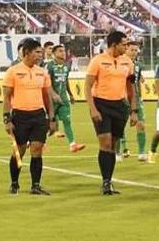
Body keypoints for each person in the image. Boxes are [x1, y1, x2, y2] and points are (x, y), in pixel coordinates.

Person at [84, 30, 137, 195]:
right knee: (105, 143)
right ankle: (105, 181)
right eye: (124, 44)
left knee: (113, 144)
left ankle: (109, 180)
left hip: (120, 106)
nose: (126, 47)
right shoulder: (97, 61)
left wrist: (133, 110)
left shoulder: (127, 62)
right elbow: (87, 86)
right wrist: (92, 108)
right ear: (114, 45)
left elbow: (131, 87)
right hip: (101, 105)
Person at [2, 38, 55, 195]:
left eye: (40, 52)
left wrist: (51, 118)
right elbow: (6, 97)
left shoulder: (42, 72)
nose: (40, 55)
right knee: (20, 150)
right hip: (20, 115)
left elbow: (47, 97)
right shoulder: (13, 71)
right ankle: (14, 183)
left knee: (37, 150)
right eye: (36, 52)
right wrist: (7, 119)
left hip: (38, 115)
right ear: (27, 53)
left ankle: (36, 185)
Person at [46, 42, 84, 153]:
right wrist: (53, 94)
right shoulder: (50, 66)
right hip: (51, 100)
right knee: (48, 124)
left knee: (67, 120)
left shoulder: (67, 66)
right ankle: (36, 142)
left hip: (63, 99)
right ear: (54, 53)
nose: (63, 53)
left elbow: (66, 81)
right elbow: (47, 83)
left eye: (63, 51)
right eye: (60, 51)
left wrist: (71, 95)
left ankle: (72, 145)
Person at [124, 41, 149, 161]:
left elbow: (138, 80)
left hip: (136, 98)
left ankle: (141, 152)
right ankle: (121, 150)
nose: (134, 52)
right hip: (122, 97)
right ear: (126, 50)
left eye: (136, 50)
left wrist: (141, 96)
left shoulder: (138, 65)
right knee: (120, 126)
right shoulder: (121, 63)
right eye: (131, 50)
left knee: (141, 125)